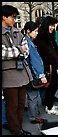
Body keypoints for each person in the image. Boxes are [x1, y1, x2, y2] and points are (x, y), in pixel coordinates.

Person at [2, 5, 33, 135]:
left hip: (22, 73)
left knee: (21, 105)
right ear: (4, 17)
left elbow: (27, 50)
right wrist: (19, 50)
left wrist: (18, 51)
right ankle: (15, 131)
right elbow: (3, 53)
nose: (15, 20)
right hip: (8, 75)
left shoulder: (17, 31)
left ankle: (18, 128)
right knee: (12, 106)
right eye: (13, 17)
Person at [34, 16, 58, 115]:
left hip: (52, 65)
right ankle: (49, 107)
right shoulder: (41, 38)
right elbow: (48, 53)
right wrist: (56, 58)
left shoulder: (49, 36)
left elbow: (55, 50)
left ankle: (48, 103)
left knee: (53, 85)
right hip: (47, 66)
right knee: (52, 85)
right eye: (50, 25)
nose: (52, 28)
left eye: (53, 25)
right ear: (46, 25)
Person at [22, 21, 48, 124]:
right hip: (32, 75)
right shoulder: (29, 44)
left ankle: (34, 114)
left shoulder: (25, 40)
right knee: (33, 96)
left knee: (32, 95)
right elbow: (35, 61)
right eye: (35, 31)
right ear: (28, 31)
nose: (36, 33)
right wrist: (41, 75)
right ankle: (33, 117)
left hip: (27, 73)